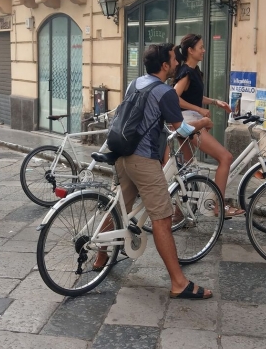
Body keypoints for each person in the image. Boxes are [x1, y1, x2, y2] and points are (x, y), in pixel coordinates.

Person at [98, 43, 215, 299]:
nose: (176, 63)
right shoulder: (165, 92)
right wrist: (203, 122)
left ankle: (99, 256)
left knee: (119, 207)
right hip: (142, 159)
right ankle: (178, 283)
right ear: (164, 65)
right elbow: (182, 129)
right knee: (161, 218)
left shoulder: (135, 83)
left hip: (122, 153)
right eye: (173, 60)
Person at [173, 34, 243, 219]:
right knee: (225, 158)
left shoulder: (194, 71)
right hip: (189, 121)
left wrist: (214, 102)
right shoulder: (186, 72)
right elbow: (174, 97)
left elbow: (191, 96)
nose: (204, 50)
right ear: (190, 50)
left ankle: (179, 214)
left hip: (186, 119)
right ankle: (218, 207)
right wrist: (199, 110)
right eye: (201, 47)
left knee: (187, 171)